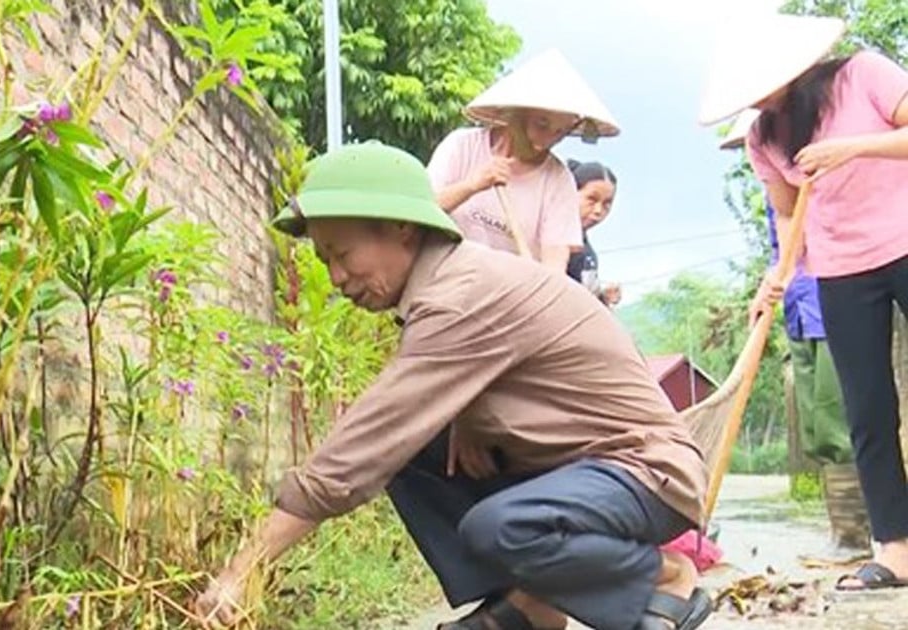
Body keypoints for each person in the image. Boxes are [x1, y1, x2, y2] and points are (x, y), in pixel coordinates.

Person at [193, 142, 712, 630]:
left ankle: (664, 576)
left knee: (494, 523)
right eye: (324, 260)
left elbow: (360, 448)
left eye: (344, 254)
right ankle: (529, 605)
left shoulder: (461, 296)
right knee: (417, 448)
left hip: (644, 473)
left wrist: (242, 571)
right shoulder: (450, 287)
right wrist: (467, 414)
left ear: (401, 229)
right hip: (578, 469)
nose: (335, 276)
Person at [699, 13, 908, 590]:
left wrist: (853, 149)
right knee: (867, 410)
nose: (755, 95)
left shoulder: (864, 74)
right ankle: (896, 548)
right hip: (841, 271)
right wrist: (778, 275)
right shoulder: (762, 135)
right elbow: (790, 214)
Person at [720, 110, 852, 468]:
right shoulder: (773, 193)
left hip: (835, 303)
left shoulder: (817, 176)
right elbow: (782, 253)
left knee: (836, 423)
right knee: (813, 427)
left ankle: (864, 519)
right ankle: (837, 514)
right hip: (798, 307)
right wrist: (771, 285)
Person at [427, 48, 620, 273]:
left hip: (509, 296)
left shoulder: (558, 180)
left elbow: (555, 262)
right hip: (443, 280)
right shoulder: (462, 145)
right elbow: (420, 210)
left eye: (560, 132)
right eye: (541, 125)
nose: (545, 142)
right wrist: (472, 185)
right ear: (516, 114)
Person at [566, 159, 623, 306]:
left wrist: (603, 299)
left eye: (606, 204)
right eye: (591, 199)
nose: (598, 211)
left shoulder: (588, 253)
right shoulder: (550, 242)